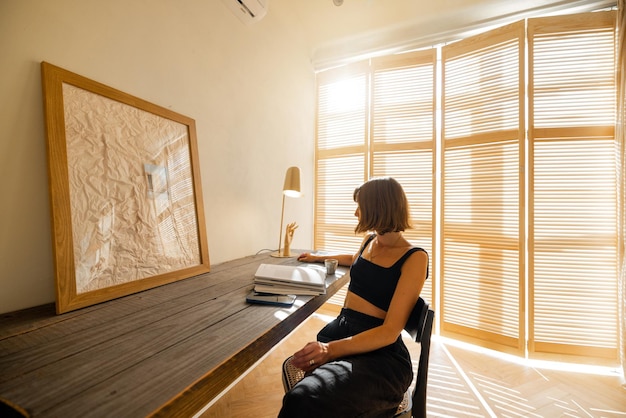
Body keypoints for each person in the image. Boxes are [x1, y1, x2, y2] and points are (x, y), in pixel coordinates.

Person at [278, 177, 429, 418]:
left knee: (302, 399)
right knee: (309, 399)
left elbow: (389, 332)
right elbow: (356, 259)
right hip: (345, 332)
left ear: (378, 207)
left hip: (379, 354)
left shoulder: (415, 258)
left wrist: (329, 349)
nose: (356, 212)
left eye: (361, 205)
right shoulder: (370, 241)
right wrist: (318, 258)